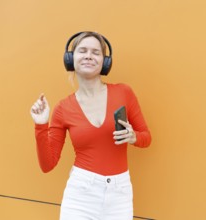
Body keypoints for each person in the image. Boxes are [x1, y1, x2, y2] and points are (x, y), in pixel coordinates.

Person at [30, 31, 152, 220]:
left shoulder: (123, 92)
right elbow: (48, 164)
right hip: (81, 193)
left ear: (105, 61)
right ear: (71, 59)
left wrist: (134, 136)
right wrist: (41, 125)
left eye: (96, 52)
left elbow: (146, 137)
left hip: (119, 194)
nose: (89, 56)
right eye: (83, 51)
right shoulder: (63, 108)